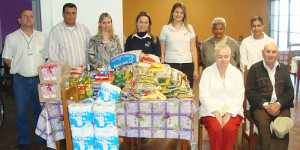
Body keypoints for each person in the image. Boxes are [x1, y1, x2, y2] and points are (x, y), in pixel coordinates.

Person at [2, 9, 47, 150]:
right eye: (25, 16)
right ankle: (24, 140)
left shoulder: (42, 36)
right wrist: (19, 68)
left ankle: (41, 138)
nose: (29, 18)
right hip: (20, 80)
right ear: (19, 20)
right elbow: (6, 58)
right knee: (21, 112)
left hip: (39, 80)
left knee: (40, 110)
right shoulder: (11, 38)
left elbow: (45, 56)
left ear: (34, 20)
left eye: (31, 16)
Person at [246, 42, 294, 150]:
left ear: (277, 54)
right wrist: (267, 105)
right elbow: (250, 92)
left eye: (273, 52)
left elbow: (290, 92)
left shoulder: (284, 69)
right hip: (261, 107)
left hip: (280, 106)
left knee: (283, 124)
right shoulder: (254, 69)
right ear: (263, 53)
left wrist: (278, 104)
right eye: (268, 51)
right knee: (263, 125)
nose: (270, 54)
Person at [199, 44, 244, 150]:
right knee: (216, 129)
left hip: (233, 110)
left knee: (229, 129)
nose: (223, 60)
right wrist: (216, 113)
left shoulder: (236, 73)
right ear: (215, 57)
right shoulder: (207, 72)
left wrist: (228, 114)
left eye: (226, 56)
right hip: (211, 110)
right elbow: (203, 95)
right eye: (220, 57)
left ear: (230, 57)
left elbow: (239, 96)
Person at [160, 2, 199, 88]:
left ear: (184, 15)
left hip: (187, 65)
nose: (179, 14)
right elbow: (162, 51)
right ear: (172, 13)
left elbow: (193, 49)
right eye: (176, 12)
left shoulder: (189, 28)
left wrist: (196, 69)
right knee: (171, 92)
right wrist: (163, 67)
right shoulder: (165, 29)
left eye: (181, 12)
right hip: (171, 65)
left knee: (187, 92)